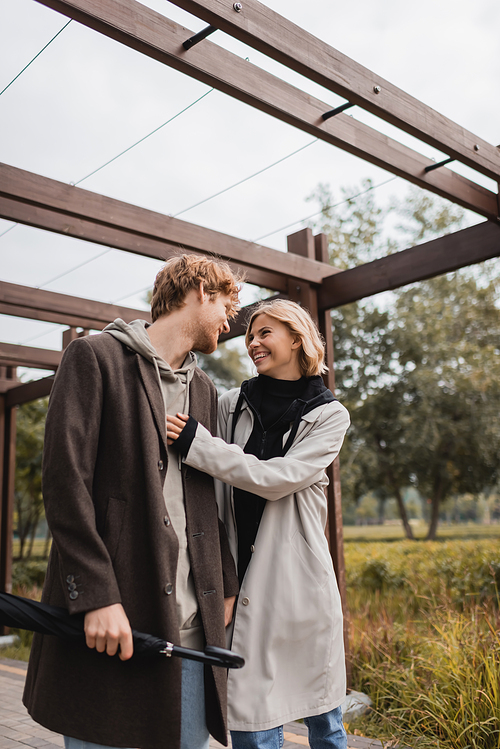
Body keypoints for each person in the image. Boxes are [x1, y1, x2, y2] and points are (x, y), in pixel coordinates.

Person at [23, 254, 242, 749]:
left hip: (190, 630)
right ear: (201, 291)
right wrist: (96, 594)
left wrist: (225, 579)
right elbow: (65, 481)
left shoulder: (204, 389)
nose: (233, 317)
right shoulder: (95, 357)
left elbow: (206, 496)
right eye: (229, 302)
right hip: (113, 623)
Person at [166, 299, 351, 749]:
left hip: (299, 588)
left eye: (265, 332)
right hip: (242, 584)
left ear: (296, 338)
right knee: (252, 723)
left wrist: (200, 446)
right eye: (250, 334)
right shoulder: (230, 405)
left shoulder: (330, 415)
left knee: (324, 723)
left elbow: (278, 479)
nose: (253, 342)